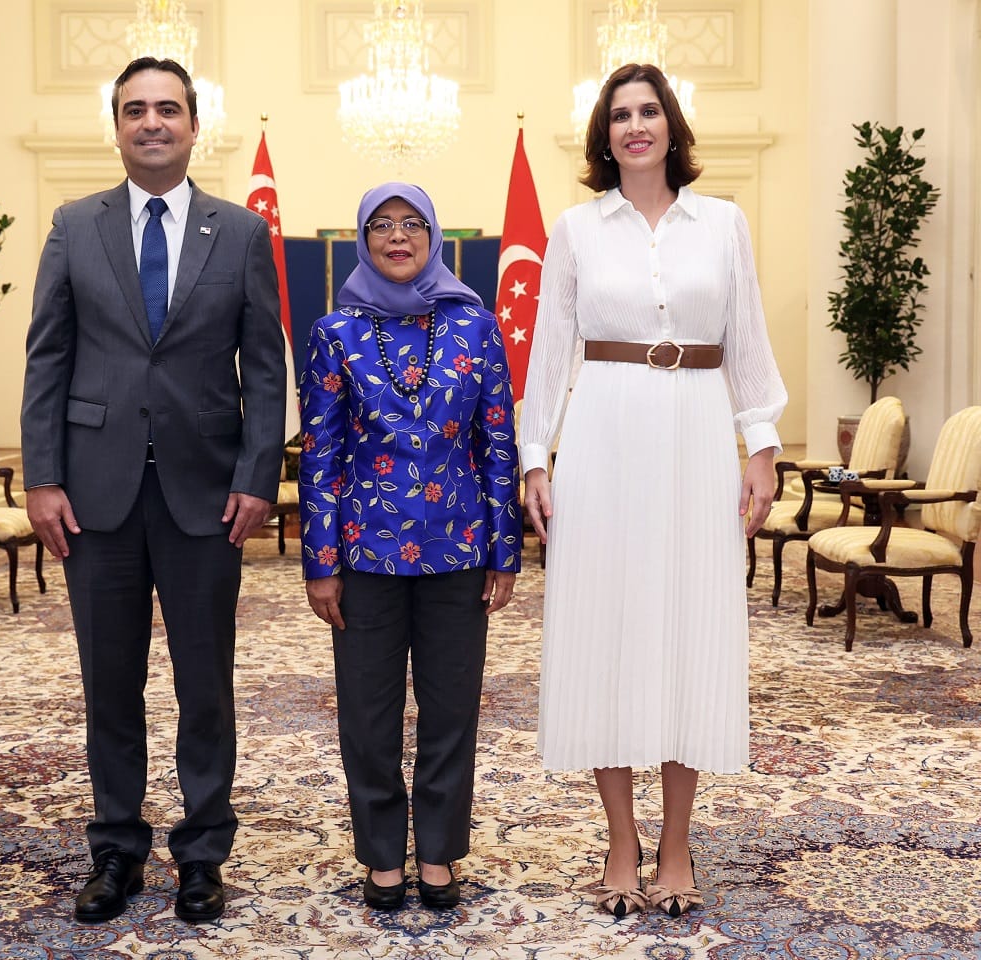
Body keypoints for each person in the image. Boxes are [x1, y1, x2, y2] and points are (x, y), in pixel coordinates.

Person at [20, 56, 286, 925]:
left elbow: (266, 367)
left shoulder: (240, 233)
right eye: (135, 110)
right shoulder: (73, 225)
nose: (152, 123)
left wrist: (257, 477)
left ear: (193, 125)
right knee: (110, 684)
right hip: (95, 497)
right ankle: (116, 850)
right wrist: (43, 477)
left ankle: (204, 853)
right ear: (118, 125)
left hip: (206, 497)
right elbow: (47, 358)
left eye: (167, 109)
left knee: (204, 684)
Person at [519, 63, 787, 919]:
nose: (637, 126)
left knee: (687, 627)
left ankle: (677, 841)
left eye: (650, 111)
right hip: (604, 434)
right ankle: (622, 837)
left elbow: (747, 339)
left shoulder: (725, 224)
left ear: (672, 126)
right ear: (604, 136)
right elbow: (550, 353)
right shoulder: (575, 228)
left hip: (695, 434)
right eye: (621, 115)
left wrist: (763, 444)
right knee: (608, 624)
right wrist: (536, 457)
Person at [299, 183, 522, 911]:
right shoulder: (335, 331)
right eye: (383, 226)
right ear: (363, 239)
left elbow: (497, 444)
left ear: (433, 238)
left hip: (457, 549)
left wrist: (505, 549)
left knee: (451, 709)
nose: (399, 237)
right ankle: (380, 855)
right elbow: (321, 454)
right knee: (367, 713)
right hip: (365, 557)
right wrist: (320, 563)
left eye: (413, 224)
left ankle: (439, 854)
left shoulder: (475, 327)